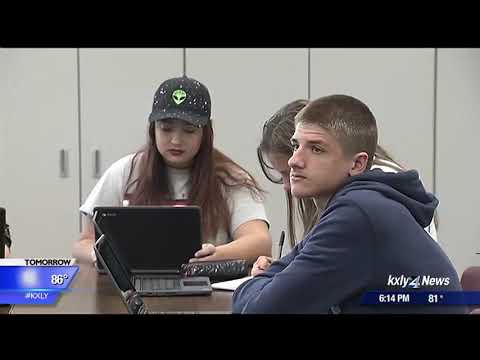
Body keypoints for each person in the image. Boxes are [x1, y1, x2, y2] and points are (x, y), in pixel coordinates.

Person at [232, 94, 465, 314]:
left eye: (316, 149)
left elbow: (261, 310)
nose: (294, 161)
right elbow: (290, 269)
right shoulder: (358, 203)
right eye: (295, 146)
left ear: (357, 164)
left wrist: (255, 284)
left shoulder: (357, 213)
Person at [73, 76, 271, 265]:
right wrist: (98, 255)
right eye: (166, 129)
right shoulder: (125, 172)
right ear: (153, 129)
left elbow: (260, 242)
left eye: (189, 130)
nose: (176, 140)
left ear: (206, 133)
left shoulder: (230, 178)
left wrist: (217, 254)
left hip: (207, 289)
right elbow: (85, 242)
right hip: (134, 289)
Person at [251, 99, 438, 276]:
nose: (287, 185)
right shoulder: (367, 186)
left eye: (315, 149)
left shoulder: (365, 202)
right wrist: (282, 269)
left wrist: (277, 278)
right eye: (295, 147)